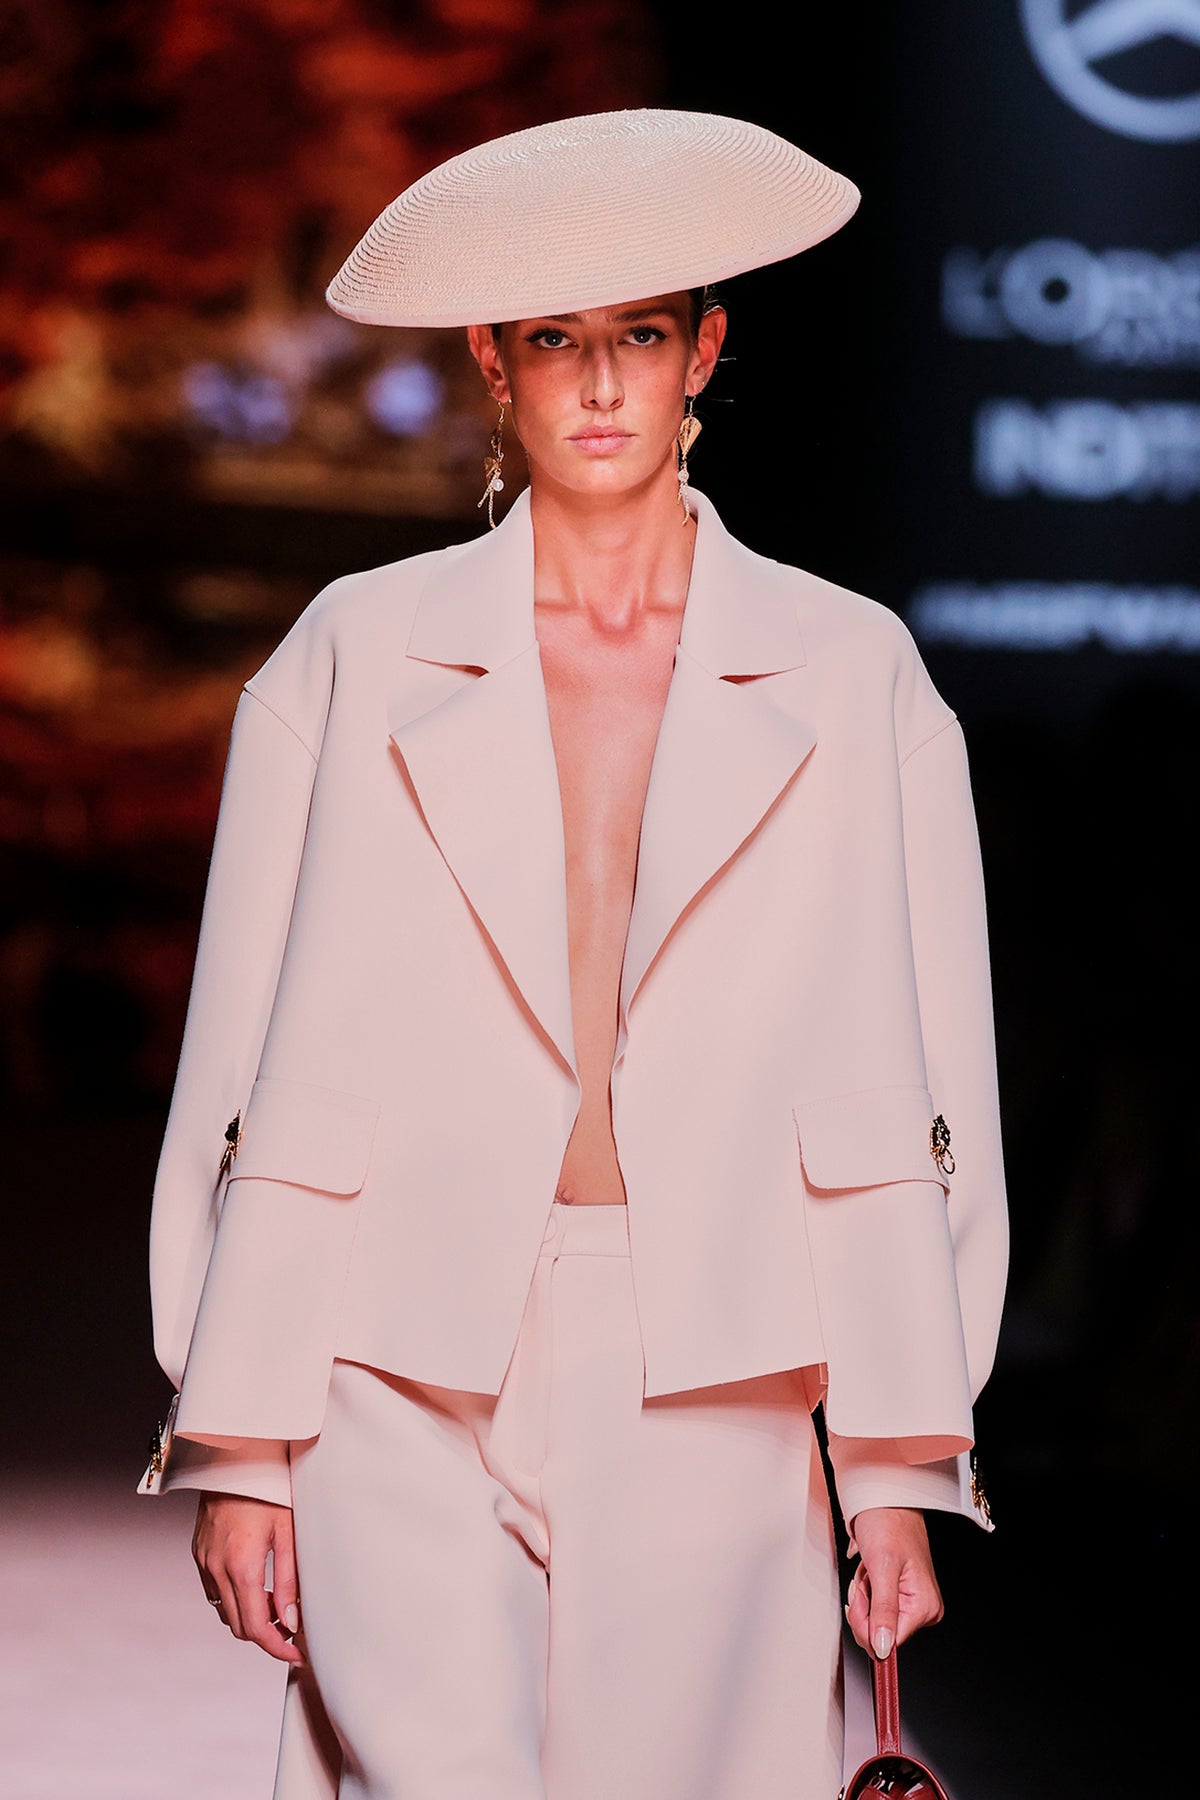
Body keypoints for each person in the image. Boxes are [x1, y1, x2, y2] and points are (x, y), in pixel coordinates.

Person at [139, 109, 1008, 1800]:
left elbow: (918, 1073)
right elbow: (238, 1057)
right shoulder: (354, 652)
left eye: (640, 336)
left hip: (722, 1348)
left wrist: (900, 1457)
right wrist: (238, 1431)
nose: (601, 383)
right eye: (556, 338)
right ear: (494, 360)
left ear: (704, 352)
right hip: (392, 1340)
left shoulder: (851, 672)